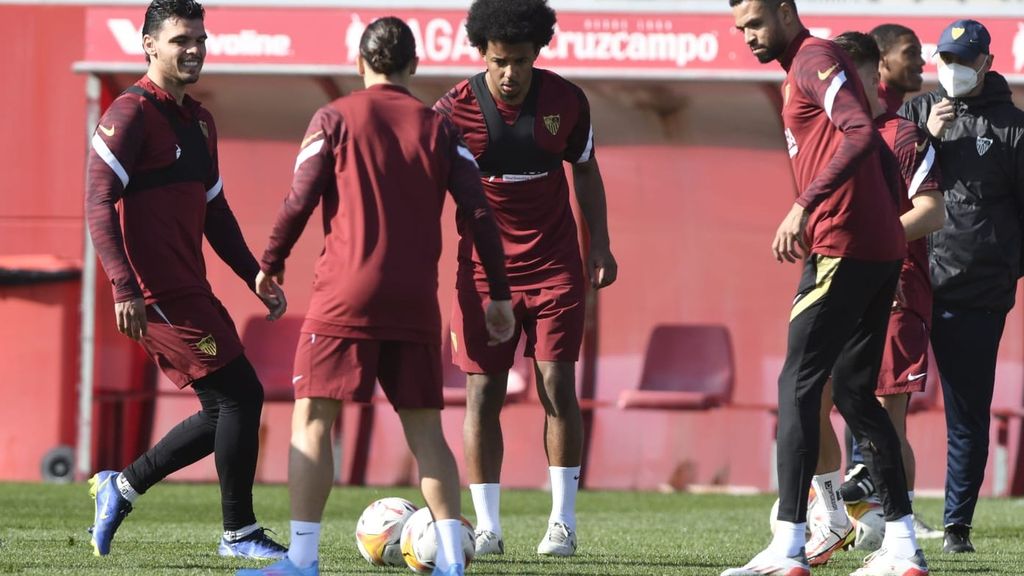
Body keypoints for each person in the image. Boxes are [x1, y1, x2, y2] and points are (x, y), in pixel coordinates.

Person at [235, 17, 515, 576]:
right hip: (414, 301)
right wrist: (500, 295)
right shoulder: (441, 129)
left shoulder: (333, 118)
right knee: (427, 432)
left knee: (313, 421)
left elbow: (299, 200)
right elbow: (479, 213)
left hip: (345, 297)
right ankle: (453, 563)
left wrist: (270, 263)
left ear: (359, 62)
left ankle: (303, 560)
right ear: (413, 66)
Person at [724, 2, 927, 575]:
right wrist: (887, 236)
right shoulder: (808, 65)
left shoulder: (813, 57)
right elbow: (875, 147)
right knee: (857, 394)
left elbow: (861, 132)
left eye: (756, 23)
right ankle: (903, 547)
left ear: (785, 12)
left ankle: (789, 545)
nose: (748, 36)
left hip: (843, 245)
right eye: (740, 28)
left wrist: (804, 205)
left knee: (798, 385)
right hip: (874, 248)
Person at [84, 0, 287, 560]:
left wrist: (253, 274)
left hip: (192, 289)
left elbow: (216, 211)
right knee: (240, 394)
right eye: (180, 40)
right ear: (149, 45)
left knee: (223, 406)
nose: (194, 49)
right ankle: (238, 533)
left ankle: (121, 487)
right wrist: (124, 287)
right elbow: (98, 202)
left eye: (200, 39)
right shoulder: (129, 113)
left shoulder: (199, 121)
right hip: (155, 295)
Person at [433, 0, 617, 558]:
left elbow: (585, 169)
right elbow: (426, 187)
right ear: (480, 54)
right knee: (483, 393)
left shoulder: (566, 100)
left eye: (519, 60)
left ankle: (562, 522)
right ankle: (488, 528)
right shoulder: (452, 111)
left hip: (555, 266)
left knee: (557, 385)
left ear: (537, 51)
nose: (509, 72)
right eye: (498, 61)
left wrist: (600, 244)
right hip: (482, 274)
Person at [801, 31, 944, 567]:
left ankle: (896, 527)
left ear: (869, 69)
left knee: (883, 412)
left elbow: (932, 212)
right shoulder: (832, 136)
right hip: (840, 282)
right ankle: (830, 511)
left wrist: (876, 242)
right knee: (811, 395)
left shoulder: (903, 135)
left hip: (898, 288)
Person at [899, 19, 1024, 554]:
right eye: (945, 58)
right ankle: (878, 513)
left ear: (986, 64)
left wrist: (1001, 268)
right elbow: (886, 182)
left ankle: (957, 527)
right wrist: (925, 136)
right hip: (908, 284)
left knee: (966, 413)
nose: (953, 69)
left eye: (963, 60)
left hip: (976, 293)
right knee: (879, 397)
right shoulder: (916, 112)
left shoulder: (1014, 128)